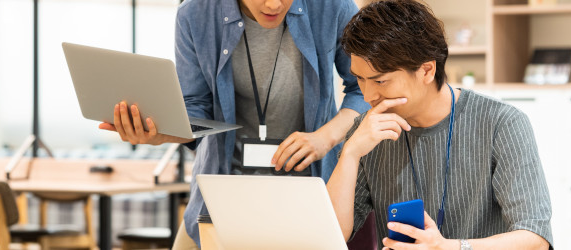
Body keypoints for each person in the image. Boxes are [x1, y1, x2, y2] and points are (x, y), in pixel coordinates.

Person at [98, 0, 370, 248]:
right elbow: (197, 108)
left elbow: (363, 90)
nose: (274, 4)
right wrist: (162, 134)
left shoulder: (333, 8)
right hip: (222, 195)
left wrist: (325, 138)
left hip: (307, 194)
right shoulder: (195, 14)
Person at [326, 1, 553, 249]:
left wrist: (449, 247)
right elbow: (331, 234)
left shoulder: (502, 124)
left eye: (380, 82)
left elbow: (535, 238)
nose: (368, 95)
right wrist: (350, 153)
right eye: (360, 79)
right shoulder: (366, 131)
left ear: (426, 70)